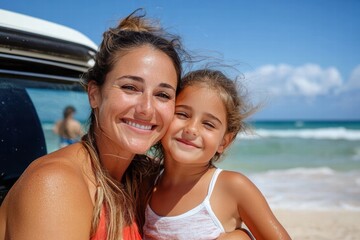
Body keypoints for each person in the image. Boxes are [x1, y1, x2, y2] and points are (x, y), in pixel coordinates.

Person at [0, 9, 185, 240]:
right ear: (94, 94)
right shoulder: (55, 186)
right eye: (130, 87)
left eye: (163, 94)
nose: (147, 109)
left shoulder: (146, 183)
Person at [143, 69, 291, 240]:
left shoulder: (233, 187)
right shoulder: (146, 183)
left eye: (208, 124)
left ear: (223, 142)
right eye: (182, 114)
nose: (191, 129)